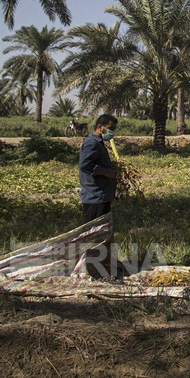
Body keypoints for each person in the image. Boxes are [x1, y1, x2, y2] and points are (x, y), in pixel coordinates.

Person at [78, 114, 118, 277]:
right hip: (95, 196)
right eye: (111, 128)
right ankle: (92, 270)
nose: (113, 132)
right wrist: (105, 171)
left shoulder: (99, 143)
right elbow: (85, 166)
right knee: (94, 235)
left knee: (102, 233)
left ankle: (102, 267)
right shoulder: (91, 144)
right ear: (101, 127)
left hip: (102, 195)